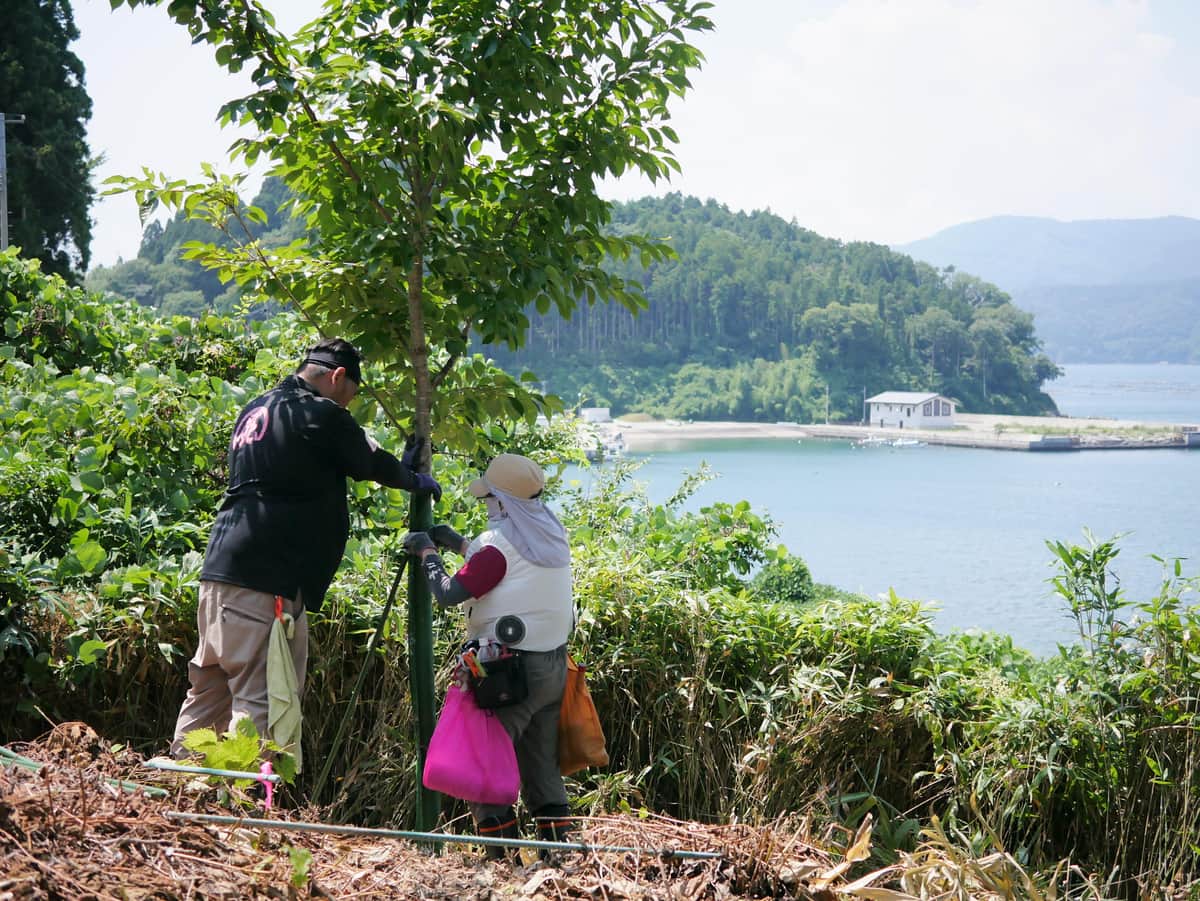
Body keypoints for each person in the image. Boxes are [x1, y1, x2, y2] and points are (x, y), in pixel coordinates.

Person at [171, 338, 441, 760]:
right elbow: (367, 460)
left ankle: (181, 797)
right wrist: (411, 478)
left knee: (208, 691)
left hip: (219, 577)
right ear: (337, 378)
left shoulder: (256, 409)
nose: (347, 407)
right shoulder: (320, 413)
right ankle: (243, 819)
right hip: (267, 580)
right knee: (263, 696)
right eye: (350, 397)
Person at [403, 453, 575, 858]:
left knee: (485, 762)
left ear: (502, 502)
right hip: (552, 667)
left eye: (489, 499)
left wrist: (427, 551)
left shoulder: (497, 547)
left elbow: (449, 593)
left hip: (510, 674)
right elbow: (513, 571)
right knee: (541, 765)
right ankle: (558, 856)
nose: (487, 506)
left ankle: (504, 862)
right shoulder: (550, 534)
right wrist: (459, 544)